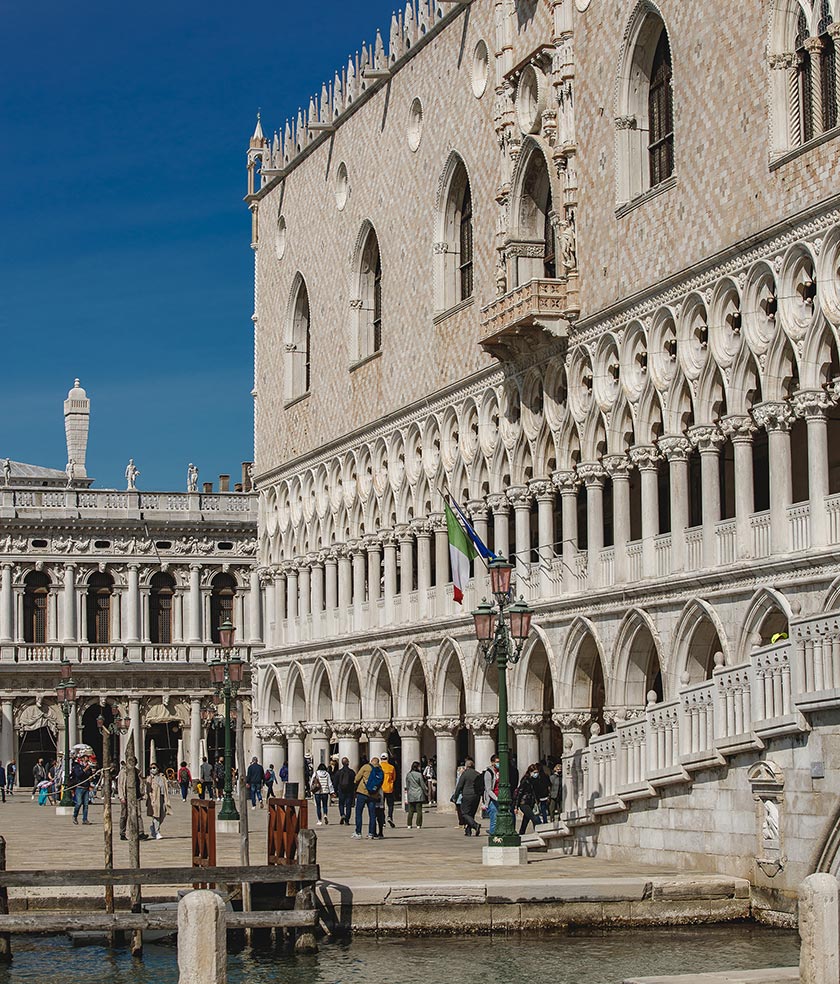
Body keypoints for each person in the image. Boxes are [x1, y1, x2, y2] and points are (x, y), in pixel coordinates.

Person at [352, 756, 382, 840]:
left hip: (362, 792)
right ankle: (371, 833)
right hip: (373, 795)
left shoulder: (366, 767)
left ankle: (358, 832)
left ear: (371, 761)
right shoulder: (380, 770)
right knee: (372, 814)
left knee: (359, 813)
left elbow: (357, 778)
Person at [452, 757, 483, 836]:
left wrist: (455, 796)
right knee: (471, 814)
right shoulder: (477, 773)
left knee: (464, 813)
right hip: (476, 796)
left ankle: (475, 825)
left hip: (467, 795)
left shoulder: (465, 774)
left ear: (466, 766)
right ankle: (468, 831)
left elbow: (459, 786)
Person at [117, 760, 147, 840]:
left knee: (138, 815)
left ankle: (141, 832)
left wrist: (142, 792)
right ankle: (122, 833)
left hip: (136, 796)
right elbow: (120, 785)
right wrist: (121, 797)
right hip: (126, 796)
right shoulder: (123, 772)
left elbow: (141, 783)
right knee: (124, 815)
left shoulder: (137, 772)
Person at [514, 764, 542, 835]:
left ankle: (521, 833)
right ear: (530, 772)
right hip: (524, 802)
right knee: (534, 818)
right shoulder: (525, 780)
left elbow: (536, 792)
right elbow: (520, 793)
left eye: (537, 772)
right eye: (534, 772)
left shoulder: (536, 780)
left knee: (526, 819)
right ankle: (538, 833)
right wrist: (516, 806)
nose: (536, 774)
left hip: (531, 802)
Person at [145, 763, 170, 839]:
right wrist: (150, 799)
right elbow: (148, 790)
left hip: (163, 797)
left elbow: (165, 787)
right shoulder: (150, 778)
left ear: (158, 768)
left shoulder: (162, 777)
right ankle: (157, 832)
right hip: (154, 798)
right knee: (156, 815)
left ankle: (153, 827)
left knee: (163, 814)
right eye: (151, 768)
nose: (153, 769)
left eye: (154, 767)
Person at [404, 761, 428, 829]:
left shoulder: (408, 774)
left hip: (411, 793)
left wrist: (408, 792)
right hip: (418, 793)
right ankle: (418, 824)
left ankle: (409, 824)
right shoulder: (419, 775)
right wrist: (425, 792)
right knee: (419, 810)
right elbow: (422, 784)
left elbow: (407, 785)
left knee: (410, 810)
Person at [72, 755, 94, 825]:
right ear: (82, 760)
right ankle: (75, 816)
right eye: (86, 760)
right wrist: (85, 769)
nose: (87, 762)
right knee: (79, 803)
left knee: (86, 805)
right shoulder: (77, 766)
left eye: (87, 761)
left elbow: (89, 776)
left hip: (86, 788)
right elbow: (79, 775)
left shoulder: (88, 768)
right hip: (79, 787)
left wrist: (91, 778)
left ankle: (85, 819)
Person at [334, 757, 356, 825]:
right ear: (348, 763)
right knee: (348, 805)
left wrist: (335, 790)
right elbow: (354, 782)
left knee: (341, 803)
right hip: (349, 790)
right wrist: (354, 790)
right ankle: (347, 820)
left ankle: (342, 814)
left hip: (341, 790)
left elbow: (335, 782)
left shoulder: (338, 772)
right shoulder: (352, 772)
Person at [379, 752, 397, 828]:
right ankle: (389, 816)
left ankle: (382, 822)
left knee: (381, 806)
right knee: (390, 805)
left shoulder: (379, 767)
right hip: (389, 788)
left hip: (381, 789)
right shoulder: (391, 767)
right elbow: (394, 778)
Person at [484, 755, 499, 834]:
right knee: (494, 820)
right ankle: (493, 836)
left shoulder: (502, 771)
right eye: (497, 762)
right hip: (493, 800)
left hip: (502, 797)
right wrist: (497, 798)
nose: (498, 763)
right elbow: (488, 789)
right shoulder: (489, 773)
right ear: (492, 762)